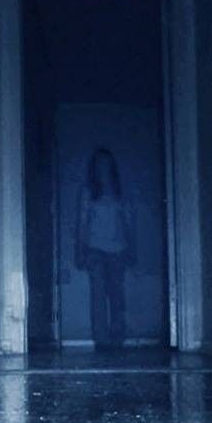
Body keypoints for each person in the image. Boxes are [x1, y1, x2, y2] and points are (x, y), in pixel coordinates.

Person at [75, 148, 135, 351]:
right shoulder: (88, 191)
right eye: (99, 164)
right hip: (95, 249)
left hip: (118, 249)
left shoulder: (120, 191)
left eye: (106, 163)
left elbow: (128, 222)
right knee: (98, 296)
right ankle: (101, 340)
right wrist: (80, 251)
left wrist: (132, 249)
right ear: (95, 167)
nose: (103, 168)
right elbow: (82, 224)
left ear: (111, 166)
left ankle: (118, 339)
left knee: (117, 295)